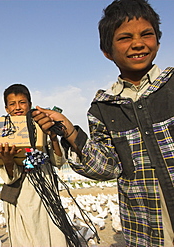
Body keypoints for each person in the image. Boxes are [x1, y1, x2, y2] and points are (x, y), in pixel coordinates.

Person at [32, 0, 174, 246]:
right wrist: (70, 132)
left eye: (146, 34)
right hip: (147, 231)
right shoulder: (103, 107)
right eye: (125, 38)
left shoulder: (171, 87)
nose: (138, 43)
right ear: (107, 51)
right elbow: (108, 167)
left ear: (158, 42)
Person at [0, 84, 67, 246]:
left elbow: (58, 162)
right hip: (19, 197)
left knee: (51, 236)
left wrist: (53, 138)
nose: (17, 107)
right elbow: (10, 177)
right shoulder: (2, 133)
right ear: (6, 108)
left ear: (30, 105)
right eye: (12, 104)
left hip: (45, 194)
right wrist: (9, 161)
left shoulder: (42, 128)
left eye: (22, 102)